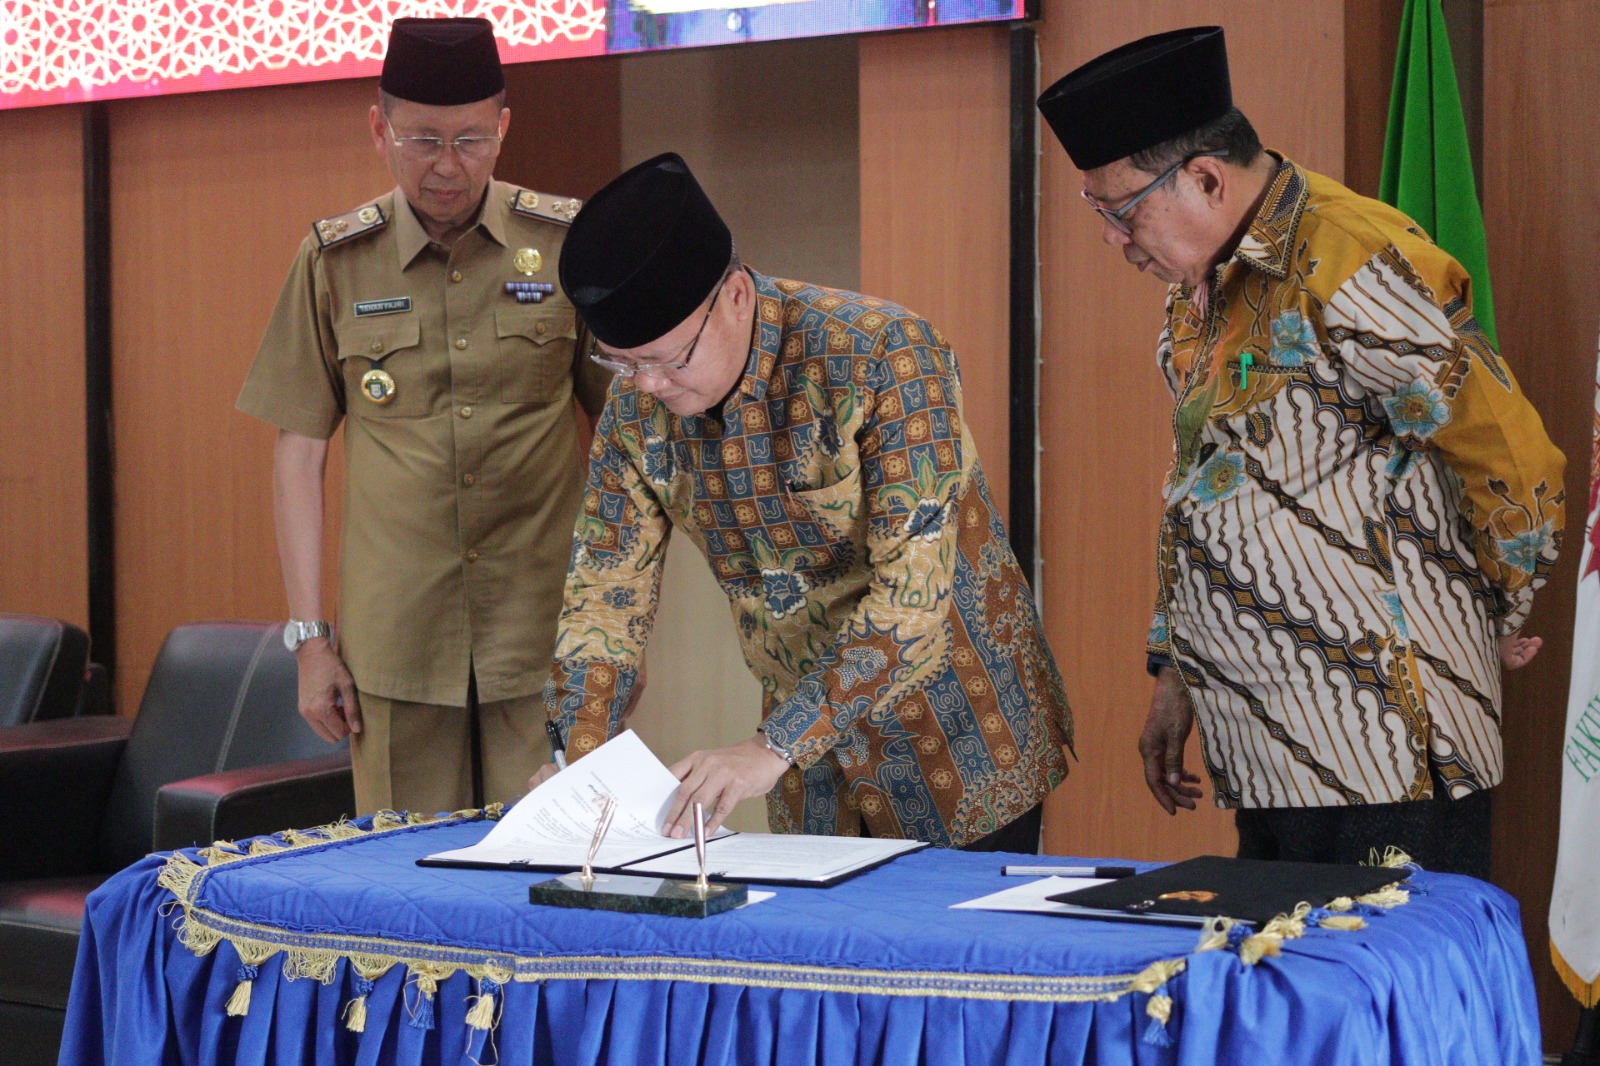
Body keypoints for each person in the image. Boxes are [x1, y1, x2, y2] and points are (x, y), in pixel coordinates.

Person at [1037, 27, 1565, 877]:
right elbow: (1199, 488)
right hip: (1269, 746)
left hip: (1381, 746)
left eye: (1119, 207)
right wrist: (1178, 670)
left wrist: (1492, 605)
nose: (1111, 236)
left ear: (1205, 178)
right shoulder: (1200, 290)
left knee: (1381, 997)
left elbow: (1507, 447)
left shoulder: (1351, 259)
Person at [538, 152, 1073, 851]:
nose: (646, 386)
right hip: (804, 760)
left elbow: (911, 602)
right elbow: (605, 593)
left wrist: (773, 744)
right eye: (622, 363)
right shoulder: (635, 414)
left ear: (734, 296)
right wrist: (575, 766)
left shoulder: (882, 355)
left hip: (960, 729)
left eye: (669, 359)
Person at [237, 17, 609, 815]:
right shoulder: (334, 261)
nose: (447, 167)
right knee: (407, 884)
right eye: (422, 141)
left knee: (551, 883)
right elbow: (298, 456)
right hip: (397, 646)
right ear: (381, 129)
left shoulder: (567, 244)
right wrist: (310, 643)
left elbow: (632, 450)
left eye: (471, 140)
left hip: (546, 638)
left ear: (504, 129)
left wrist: (619, 631)